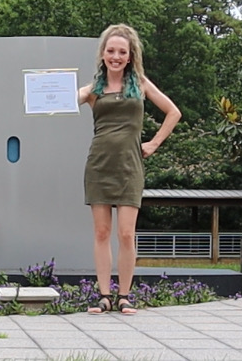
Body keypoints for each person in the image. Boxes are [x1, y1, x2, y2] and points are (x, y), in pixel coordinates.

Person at [77, 24, 180, 315]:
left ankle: (124, 296)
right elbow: (63, 99)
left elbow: (173, 112)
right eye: (111, 51)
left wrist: (154, 143)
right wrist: (46, 91)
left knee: (125, 234)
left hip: (129, 167)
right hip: (99, 165)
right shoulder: (94, 89)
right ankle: (103, 296)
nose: (116, 56)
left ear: (130, 55)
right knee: (101, 232)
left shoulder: (141, 84)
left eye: (122, 51)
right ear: (103, 54)